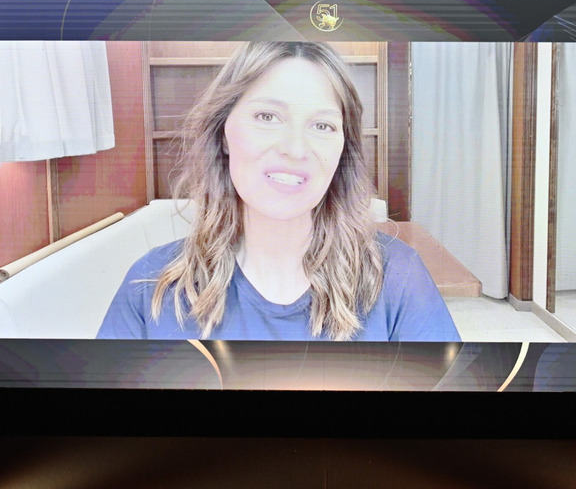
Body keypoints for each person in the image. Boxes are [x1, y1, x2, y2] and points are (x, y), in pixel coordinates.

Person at [97, 42, 460, 341]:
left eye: (322, 125)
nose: (295, 149)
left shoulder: (399, 279)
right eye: (267, 117)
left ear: (342, 151)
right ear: (223, 134)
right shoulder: (151, 285)